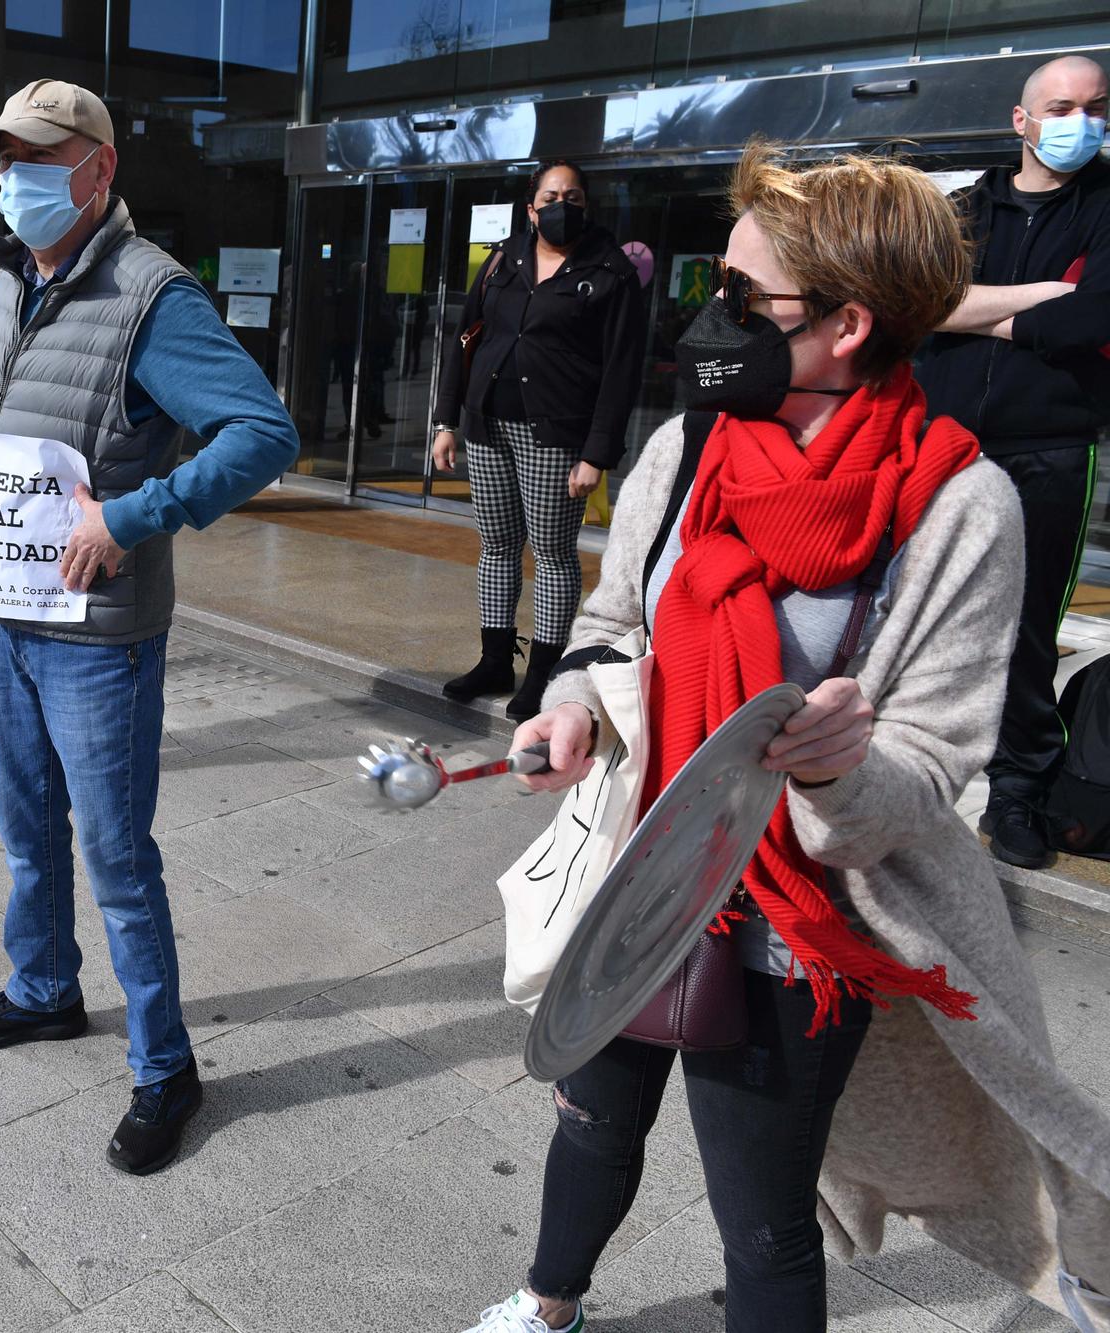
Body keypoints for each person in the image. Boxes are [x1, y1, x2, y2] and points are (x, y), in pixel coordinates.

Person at [467, 144, 1110, 1333]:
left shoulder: (959, 504)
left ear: (847, 323)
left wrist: (839, 761)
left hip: (798, 916)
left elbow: (933, 764)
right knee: (590, 1113)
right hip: (637, 867)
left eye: (739, 294)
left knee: (760, 1217)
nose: (709, 318)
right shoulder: (689, 445)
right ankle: (544, 1302)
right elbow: (611, 624)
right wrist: (573, 704)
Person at [0, 80, 300, 1175]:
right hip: (8, 611)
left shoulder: (151, 295)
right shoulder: (12, 278)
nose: (17, 178)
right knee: (24, 825)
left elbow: (261, 431)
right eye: (5, 157)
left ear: (98, 170)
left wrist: (135, 517)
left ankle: (163, 1066)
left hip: (97, 631)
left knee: (113, 853)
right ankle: (44, 989)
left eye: (39, 159)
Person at [916, 55, 1110, 871]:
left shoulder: (1107, 207)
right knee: (927, 616)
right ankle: (912, 770)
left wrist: (980, 309)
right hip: (947, 442)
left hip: (1050, 448)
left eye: (1097, 107)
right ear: (1021, 120)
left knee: (1028, 629)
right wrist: (1046, 297)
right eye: (1061, 106)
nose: (1082, 121)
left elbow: (1096, 317)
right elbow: (920, 301)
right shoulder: (962, 210)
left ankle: (1018, 790)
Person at [432, 160, 645, 721]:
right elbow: (466, 336)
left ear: (587, 205)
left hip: (555, 437)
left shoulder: (610, 272)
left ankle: (544, 673)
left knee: (552, 555)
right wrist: (445, 419)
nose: (561, 205)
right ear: (531, 207)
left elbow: (621, 371)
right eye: (550, 195)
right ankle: (495, 659)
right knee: (497, 546)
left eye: (572, 196)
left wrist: (596, 453)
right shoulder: (503, 257)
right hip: (486, 426)